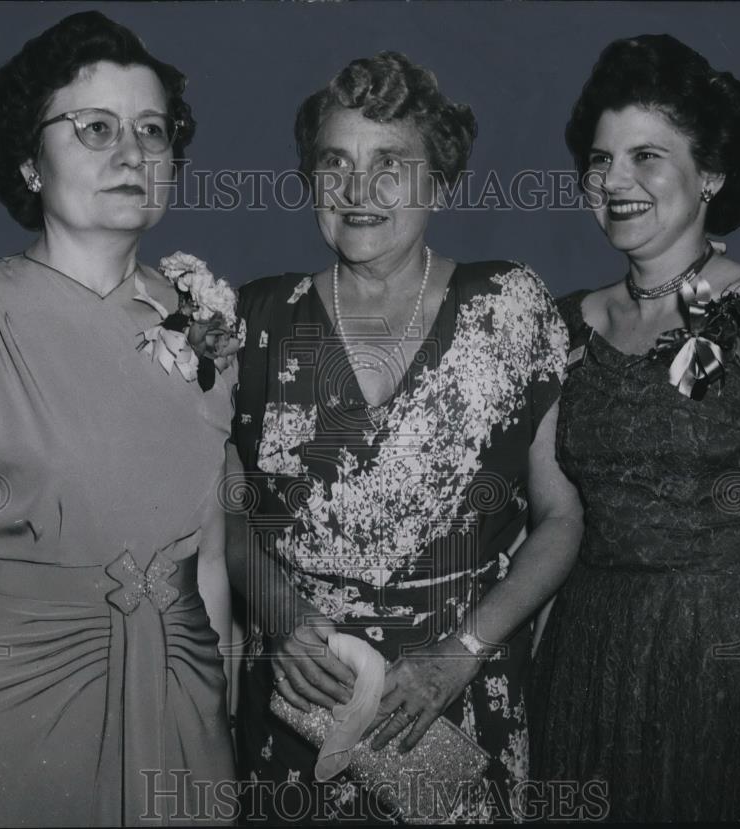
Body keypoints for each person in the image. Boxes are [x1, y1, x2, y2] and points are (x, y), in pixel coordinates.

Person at [0, 11, 235, 827]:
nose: (132, 152)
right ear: (30, 163)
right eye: (95, 128)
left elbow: (208, 565)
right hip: (10, 712)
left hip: (184, 717)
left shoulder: (209, 323)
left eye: (153, 129)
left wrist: (219, 724)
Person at [226, 51, 582, 823]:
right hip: (300, 698)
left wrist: (459, 655)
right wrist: (281, 614)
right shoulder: (255, 319)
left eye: (391, 164)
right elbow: (224, 513)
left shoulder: (508, 306)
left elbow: (562, 518)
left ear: (441, 181)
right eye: (336, 163)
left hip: (457, 697)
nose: (359, 191)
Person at [529, 34, 740, 822]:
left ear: (710, 173)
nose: (616, 181)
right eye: (601, 160)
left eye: (648, 156)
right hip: (589, 675)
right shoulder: (561, 326)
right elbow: (552, 520)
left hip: (734, 680)